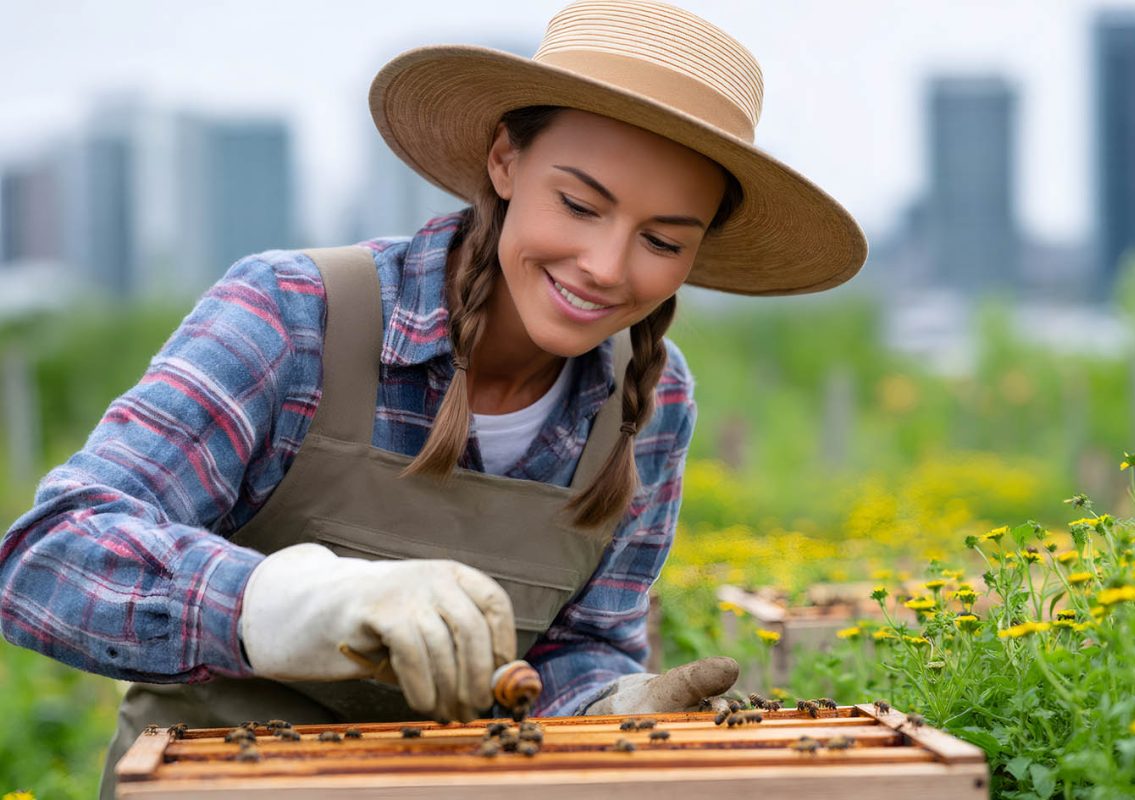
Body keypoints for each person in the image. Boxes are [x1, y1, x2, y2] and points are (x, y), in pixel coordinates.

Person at [0, 0, 867, 796]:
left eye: (662, 240)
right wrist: (292, 602)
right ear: (503, 160)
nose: (607, 266)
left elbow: (576, 649)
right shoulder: (293, 319)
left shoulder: (653, 404)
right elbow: (47, 559)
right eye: (578, 203)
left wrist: (611, 706)